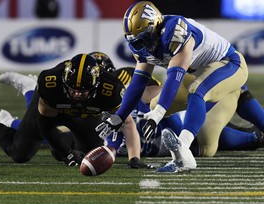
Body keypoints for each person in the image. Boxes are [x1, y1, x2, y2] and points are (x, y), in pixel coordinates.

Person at [95, 1, 249, 173]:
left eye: (145, 39)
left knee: (196, 91)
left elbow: (174, 77)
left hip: (230, 64)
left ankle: (184, 149)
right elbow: (138, 82)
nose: (143, 46)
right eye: (138, 42)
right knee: (154, 104)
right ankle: (178, 158)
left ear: (155, 25)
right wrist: (120, 115)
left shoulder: (175, 31)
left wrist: (158, 114)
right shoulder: (143, 45)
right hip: (197, 73)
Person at [0, 52, 152, 169]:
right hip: (53, 110)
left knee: (87, 157)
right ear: (64, 81)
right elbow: (45, 124)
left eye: (82, 90)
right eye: (72, 89)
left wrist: (134, 158)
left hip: (85, 115)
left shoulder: (111, 90)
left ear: (96, 86)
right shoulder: (51, 83)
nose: (76, 94)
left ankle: (63, 148)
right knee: (20, 153)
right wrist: (65, 154)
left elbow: (127, 123)